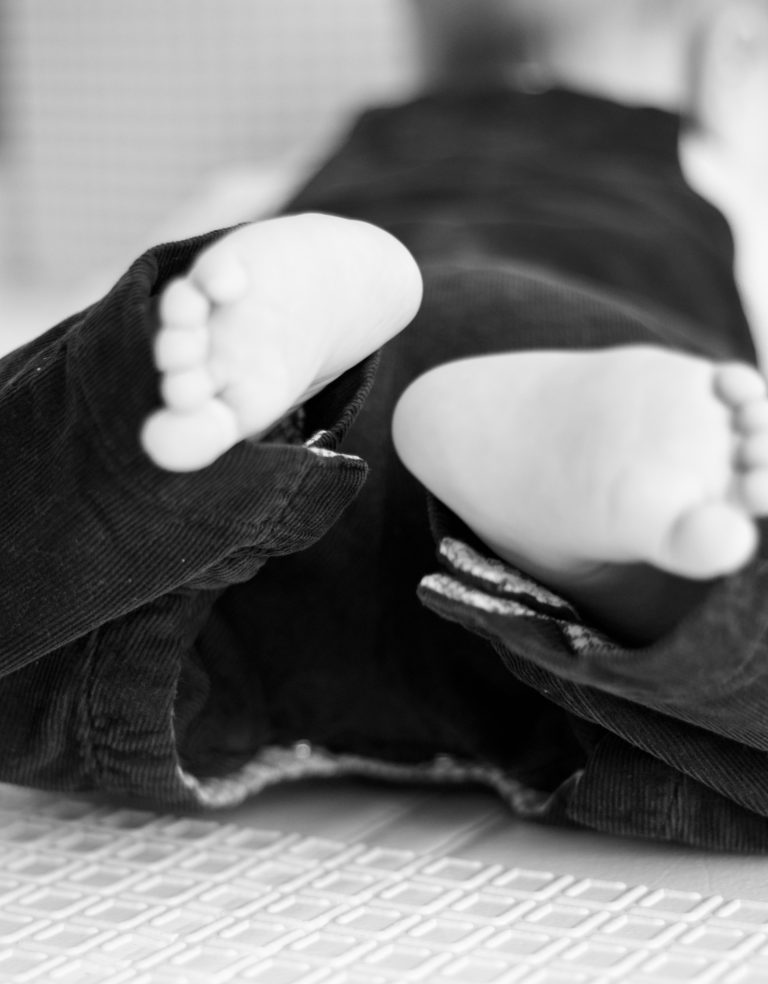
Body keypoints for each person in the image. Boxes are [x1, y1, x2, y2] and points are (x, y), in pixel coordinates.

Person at [3, 0, 768, 850]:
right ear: (720, 59)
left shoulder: (281, 177)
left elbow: (145, 314)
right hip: (571, 361)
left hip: (282, 468)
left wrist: (148, 369)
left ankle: (344, 307)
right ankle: (628, 576)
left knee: (49, 540)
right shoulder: (717, 170)